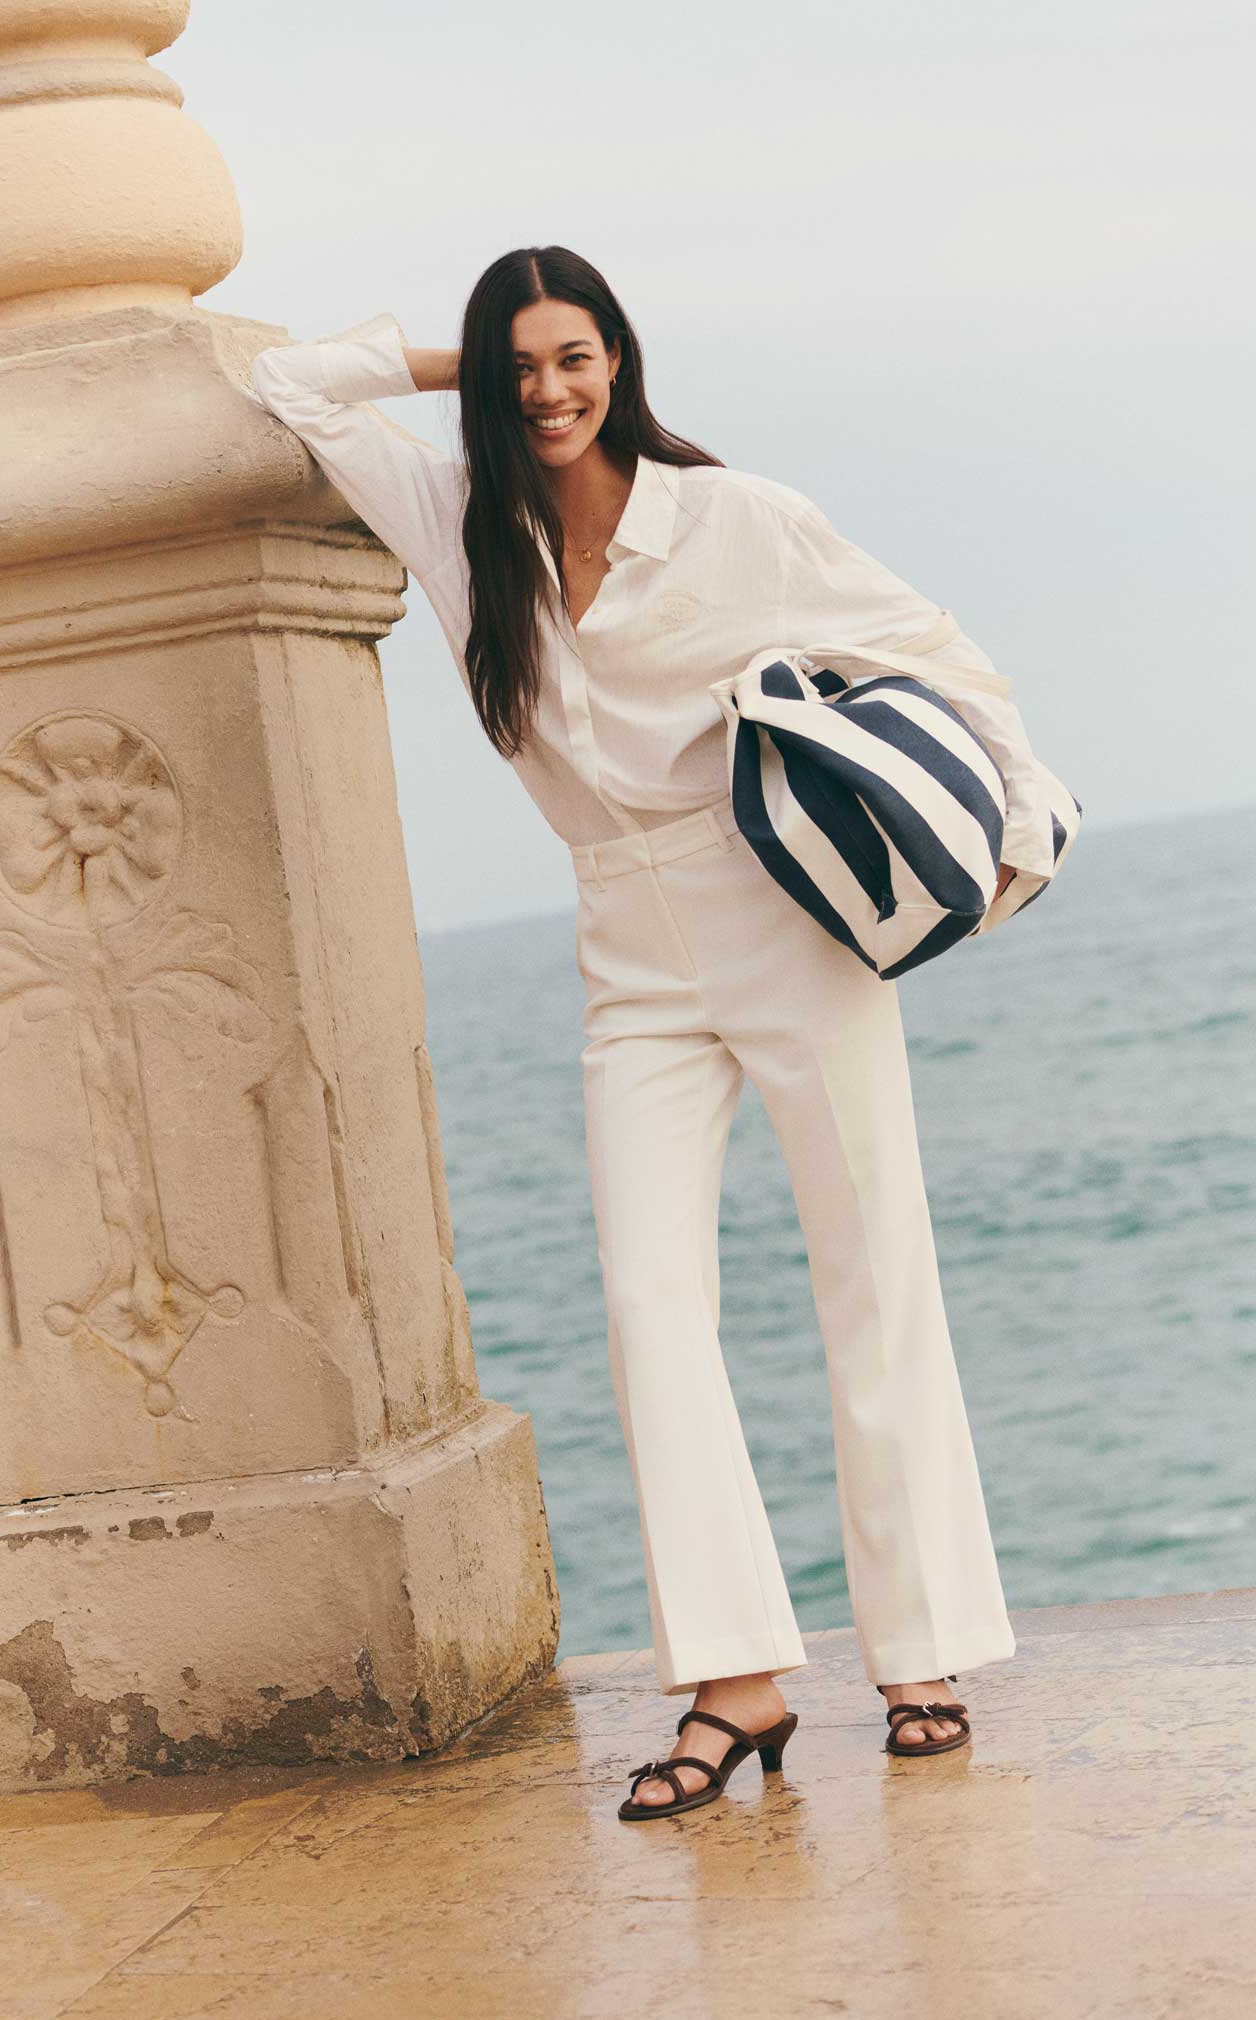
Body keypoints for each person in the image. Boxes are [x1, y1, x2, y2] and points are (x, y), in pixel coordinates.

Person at [249, 245, 1053, 1822]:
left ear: (624, 360)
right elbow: (293, 383)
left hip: (784, 919)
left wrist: (1018, 830)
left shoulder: (733, 517)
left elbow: (934, 649)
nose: (553, 392)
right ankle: (735, 1679)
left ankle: (921, 1657)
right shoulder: (460, 524)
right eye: (524, 366)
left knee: (871, 1268)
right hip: (626, 951)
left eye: (578, 357)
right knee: (646, 1295)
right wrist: (450, 365)